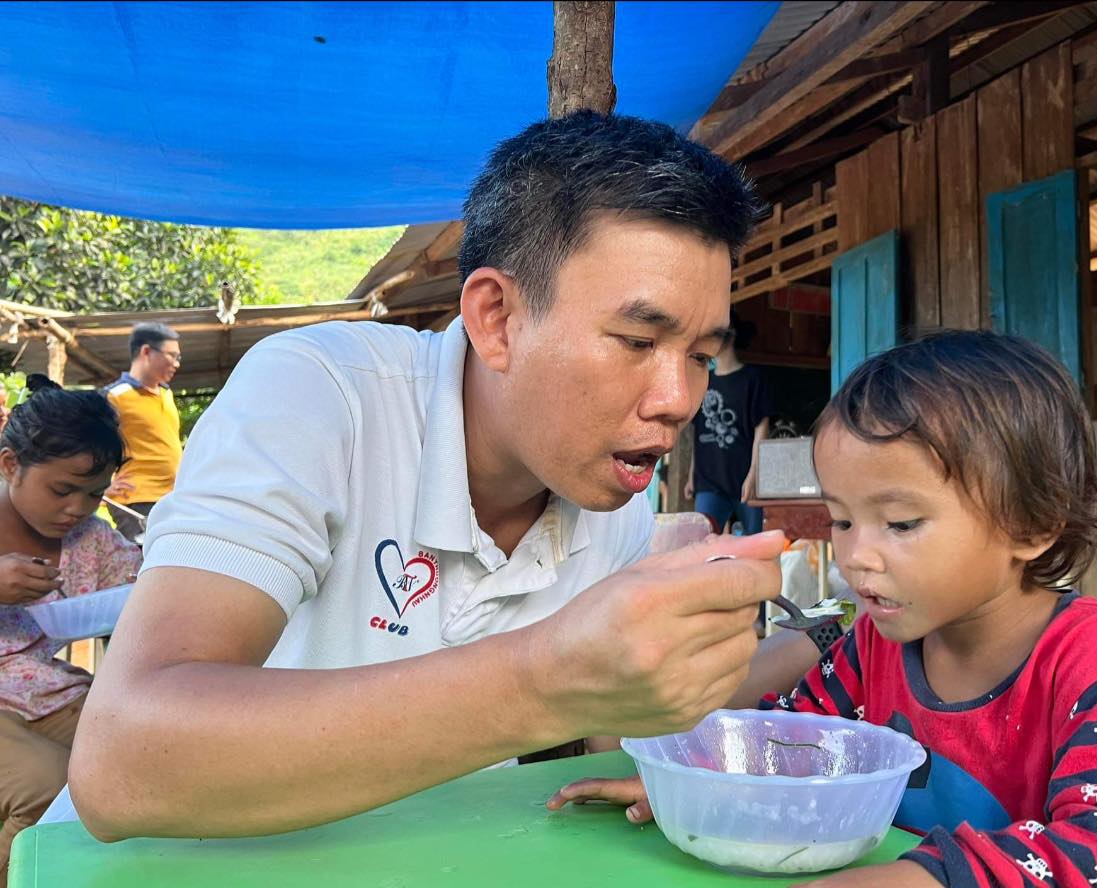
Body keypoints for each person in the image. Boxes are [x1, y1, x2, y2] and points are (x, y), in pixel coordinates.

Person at [69, 111, 822, 841]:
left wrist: (693, 695)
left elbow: (609, 740)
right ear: (497, 319)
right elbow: (124, 763)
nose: (678, 401)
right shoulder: (322, 396)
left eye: (699, 356)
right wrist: (544, 677)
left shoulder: (615, 506)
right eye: (635, 339)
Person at [548, 331, 1097, 888]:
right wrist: (700, 785)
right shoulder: (877, 643)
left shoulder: (1087, 651)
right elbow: (790, 743)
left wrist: (924, 876)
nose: (856, 556)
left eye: (900, 523)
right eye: (841, 520)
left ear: (1031, 523)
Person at [0, 376, 140, 876]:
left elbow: (148, 578)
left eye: (94, 494)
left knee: (144, 756)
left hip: (48, 693)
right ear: (11, 465)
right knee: (47, 785)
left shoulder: (91, 541)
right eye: (62, 490)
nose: (76, 509)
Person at [685, 312, 772, 535]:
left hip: (744, 477)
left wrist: (754, 475)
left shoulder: (752, 379)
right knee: (702, 542)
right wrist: (691, 476)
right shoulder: (704, 379)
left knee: (754, 546)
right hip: (708, 481)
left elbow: (762, 428)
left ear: (730, 335)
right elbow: (698, 431)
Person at [103, 322, 183, 542]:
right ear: (146, 351)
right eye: (172, 356)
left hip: (172, 498)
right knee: (146, 568)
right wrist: (102, 486)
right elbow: (85, 444)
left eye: (178, 358)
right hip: (137, 501)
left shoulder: (166, 394)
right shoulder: (114, 396)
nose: (176, 364)